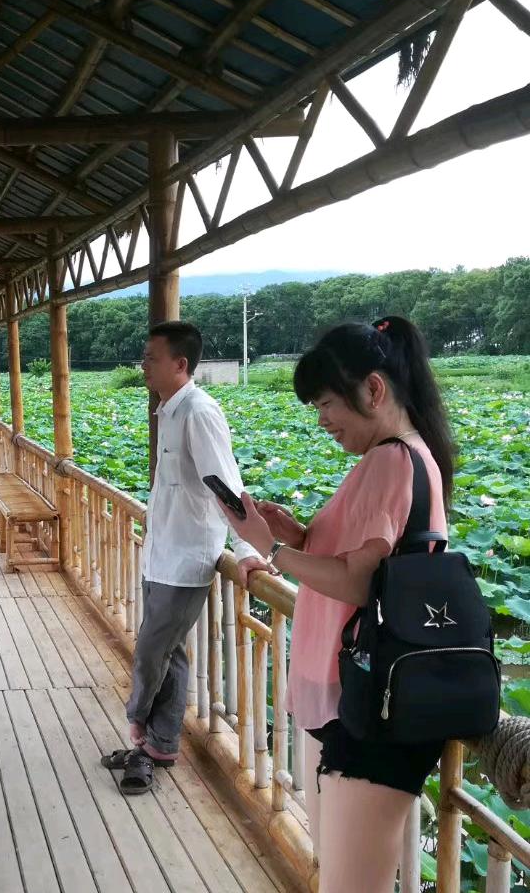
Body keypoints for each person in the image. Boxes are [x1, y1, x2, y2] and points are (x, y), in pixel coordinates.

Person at [216, 317, 453, 893]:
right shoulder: (403, 456)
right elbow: (362, 562)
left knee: (349, 886)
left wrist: (267, 546)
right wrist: (297, 537)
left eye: (326, 404)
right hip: (365, 697)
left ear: (373, 389)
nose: (321, 420)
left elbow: (354, 583)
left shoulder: (392, 460)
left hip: (373, 704)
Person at [101, 321, 262, 795]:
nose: (144, 365)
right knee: (169, 653)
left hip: (189, 558)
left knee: (153, 647)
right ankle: (160, 746)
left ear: (180, 364)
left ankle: (138, 725)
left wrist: (248, 549)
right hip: (161, 552)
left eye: (151, 358)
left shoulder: (198, 412)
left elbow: (226, 485)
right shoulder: (168, 410)